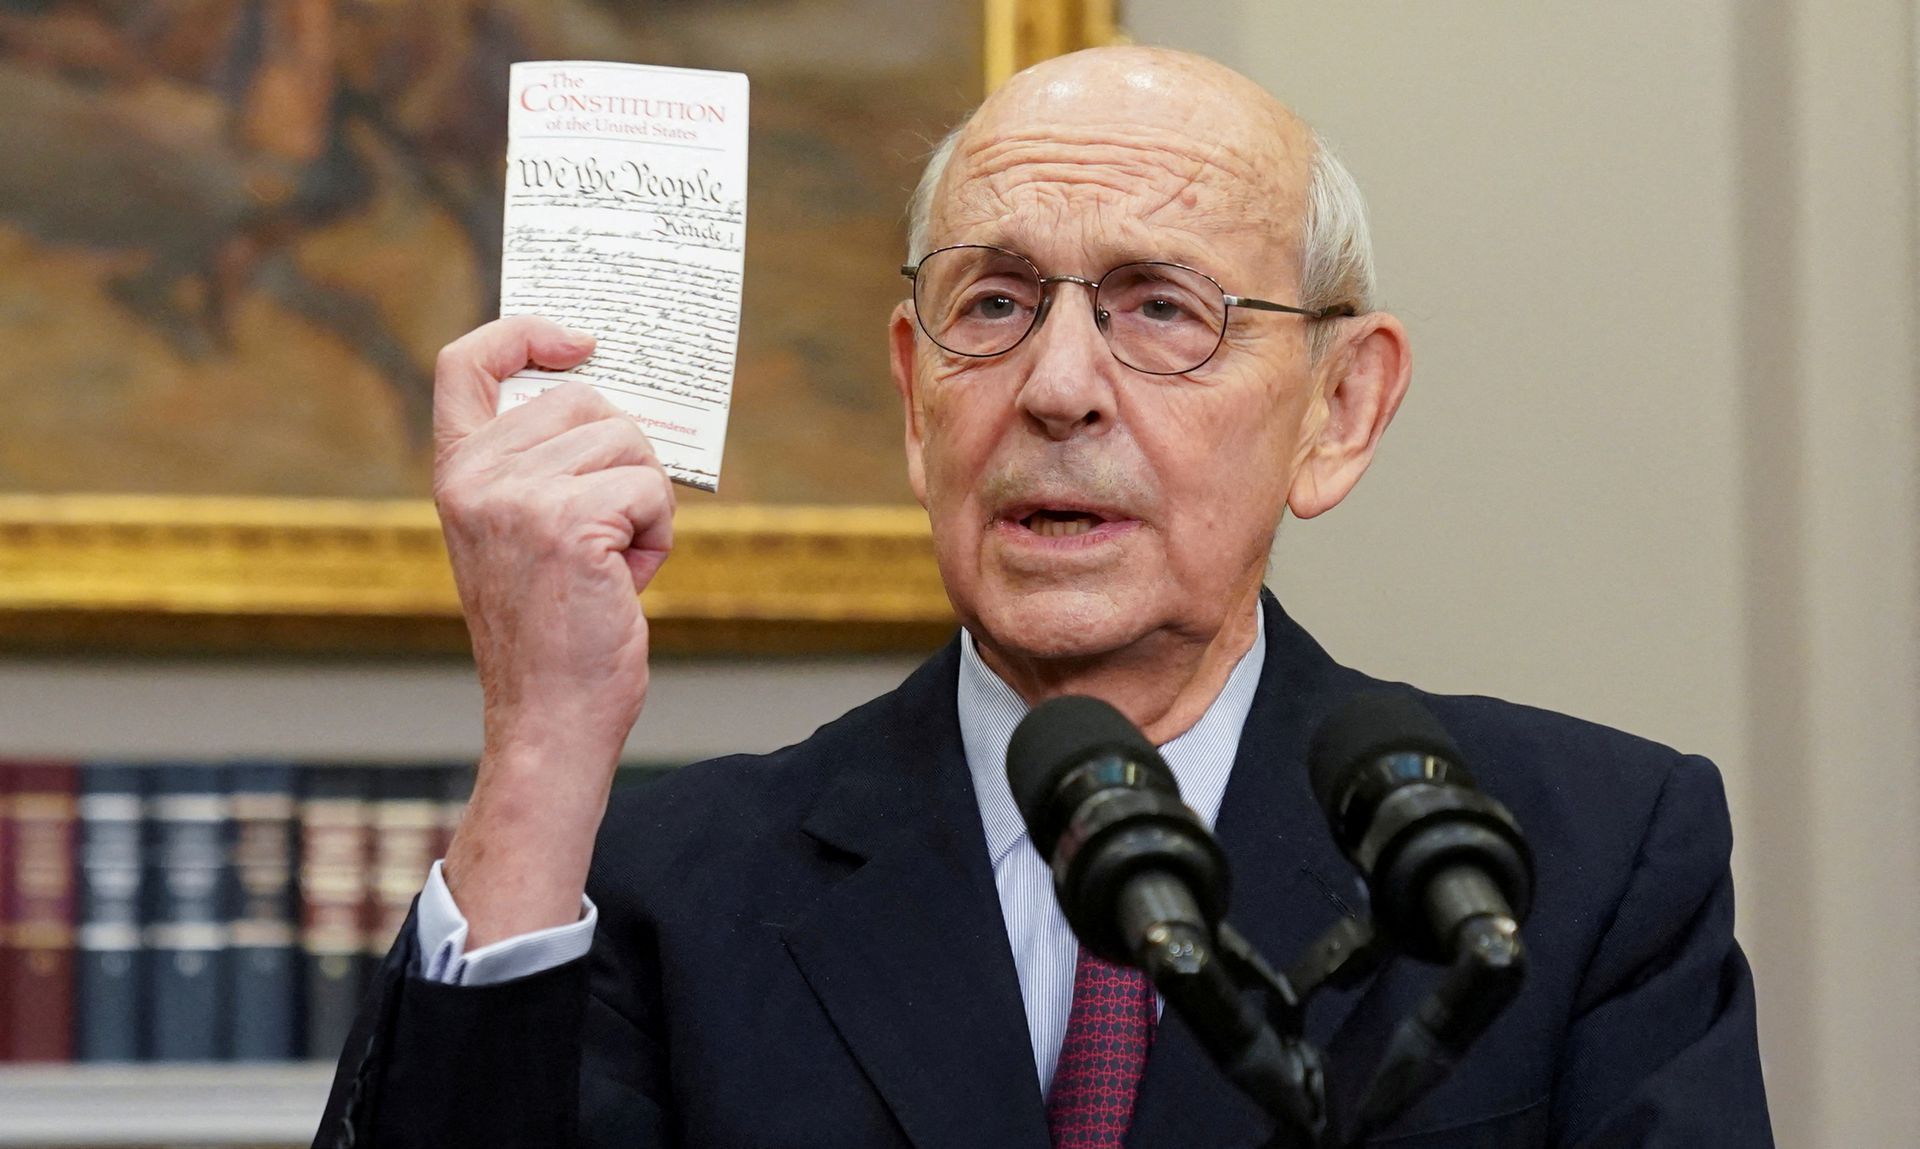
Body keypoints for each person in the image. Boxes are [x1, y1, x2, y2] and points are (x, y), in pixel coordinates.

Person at [315, 46, 1772, 1148]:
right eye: (995, 304)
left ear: (1339, 407)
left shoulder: (1577, 866)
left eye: (1160, 307)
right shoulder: (659, 886)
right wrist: (548, 732)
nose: (1058, 387)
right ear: (914, 391)